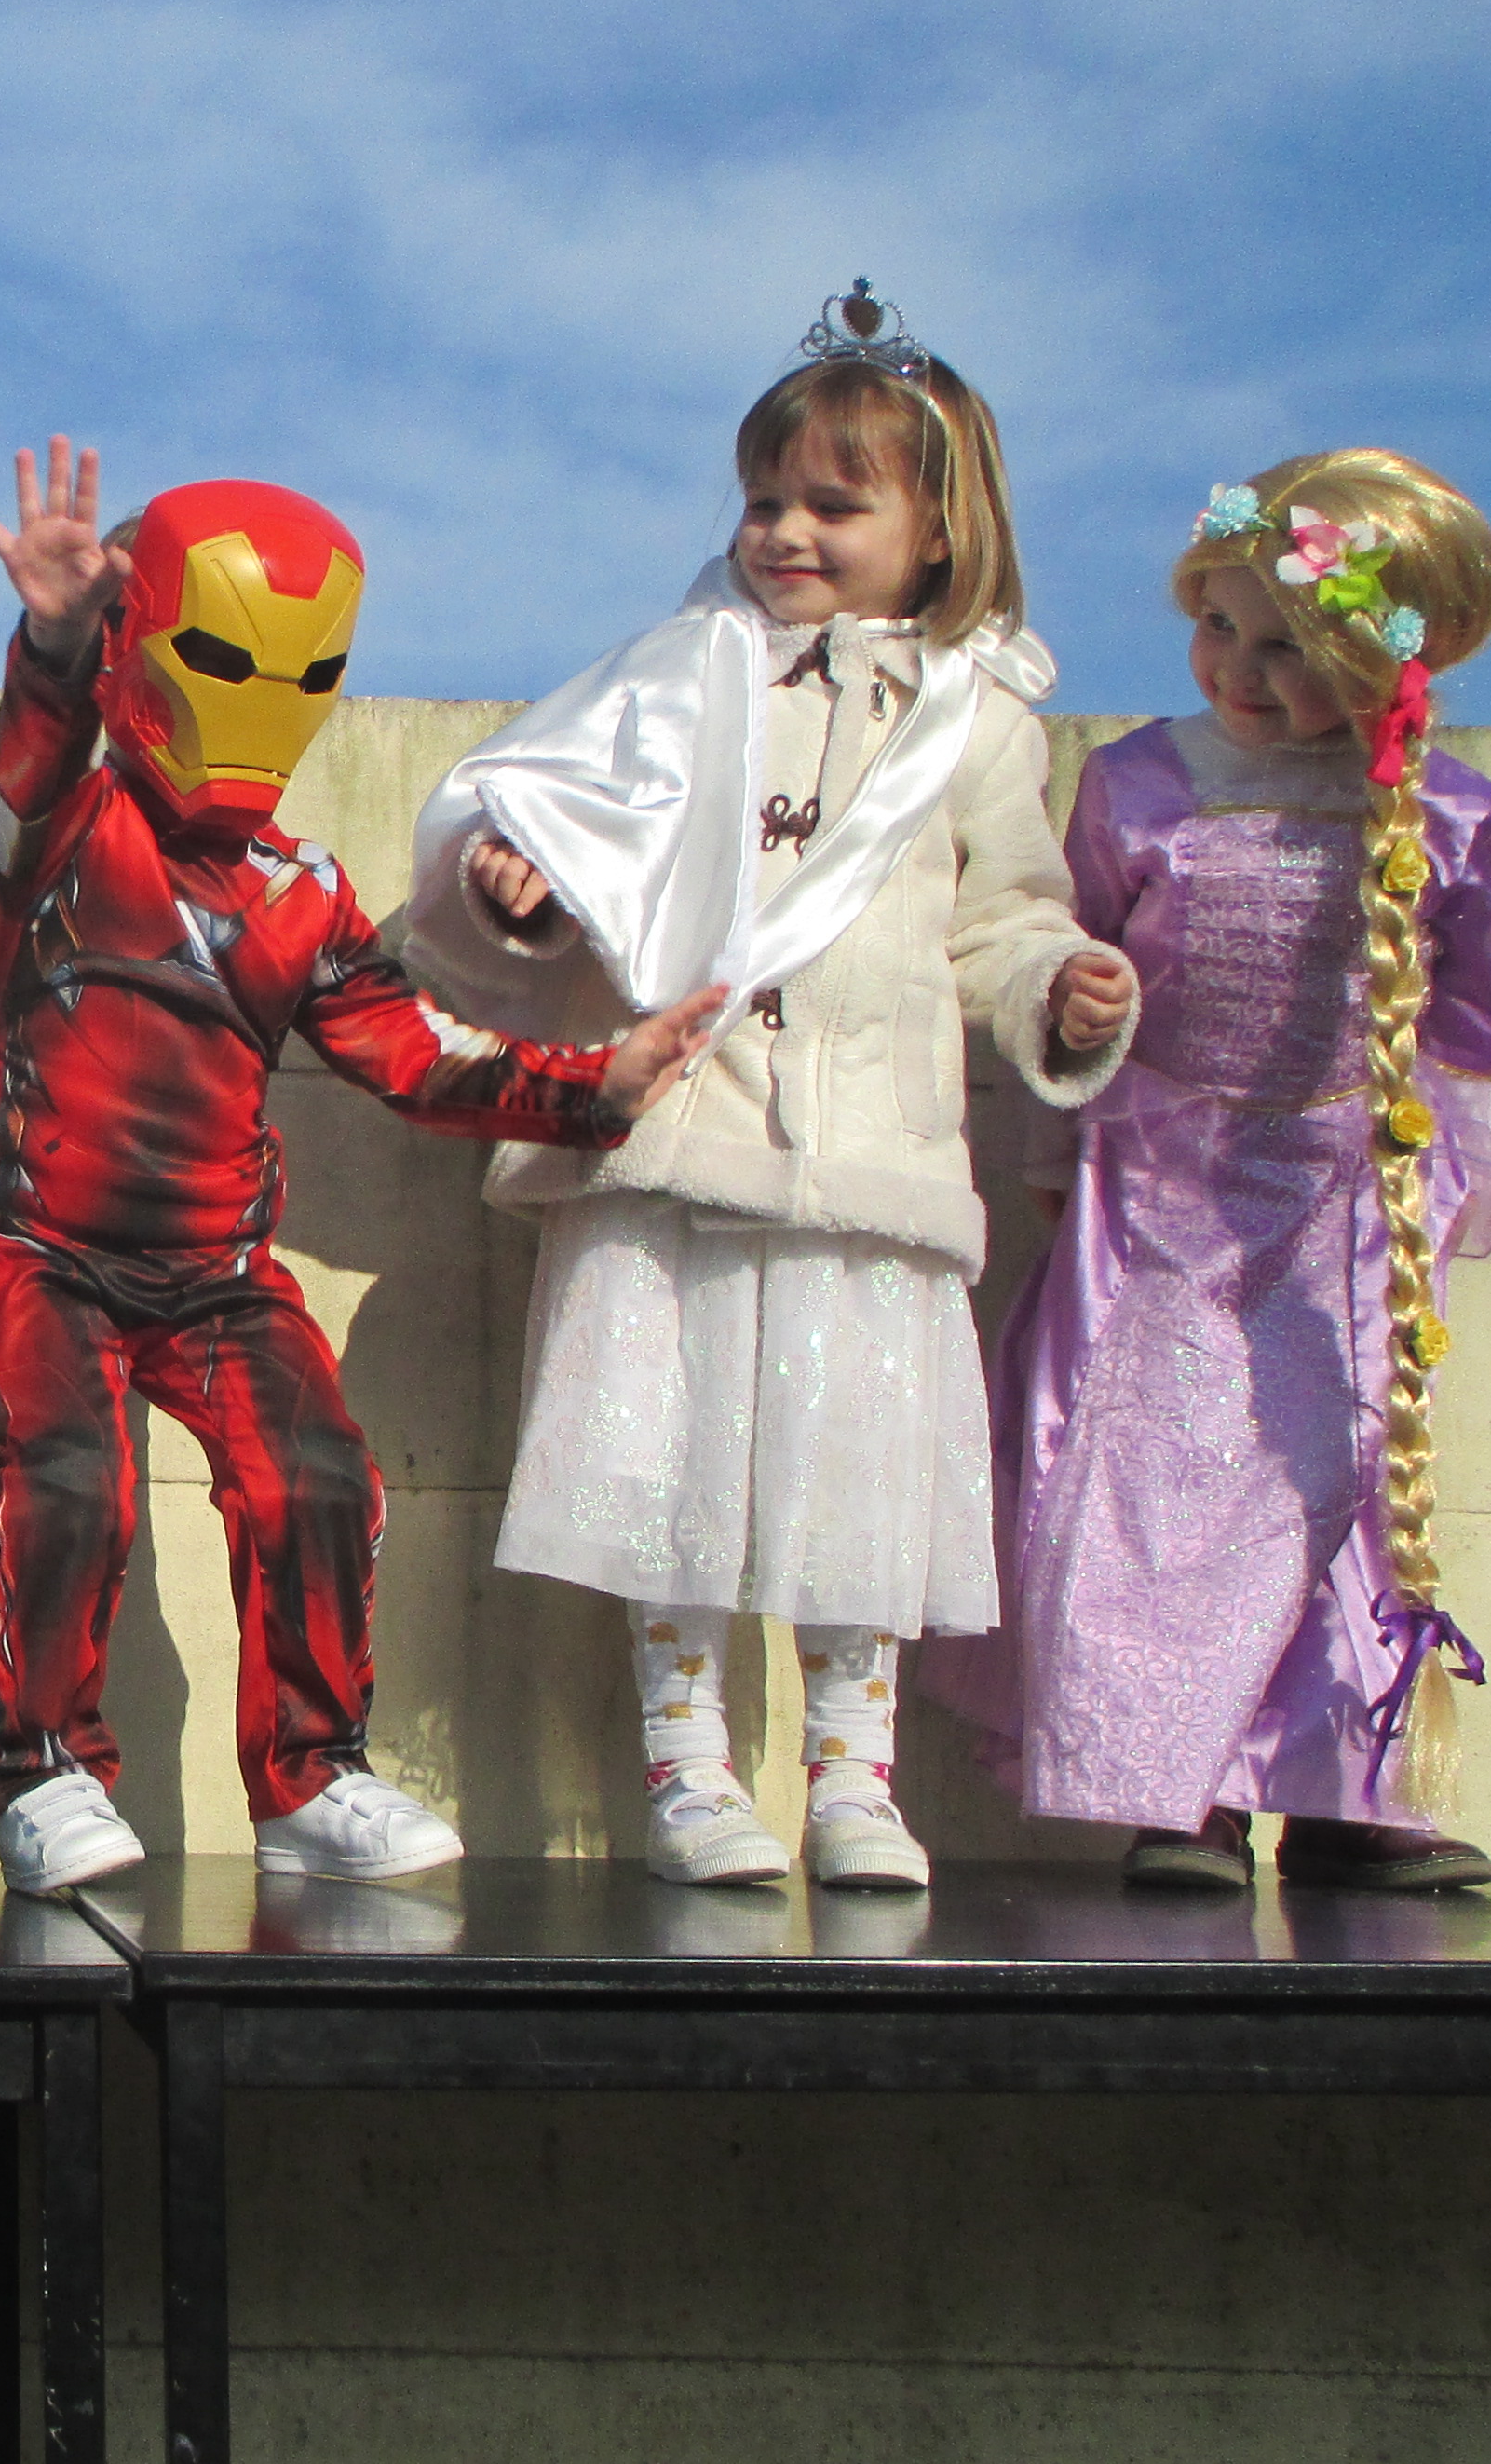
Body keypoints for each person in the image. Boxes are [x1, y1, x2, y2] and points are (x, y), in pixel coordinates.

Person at [408, 286, 1135, 1895]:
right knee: (669, 1477)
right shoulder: (680, 680)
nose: (785, 532)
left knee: (859, 1494)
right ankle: (690, 1774)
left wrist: (1061, 991)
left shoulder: (979, 725)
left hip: (872, 1161)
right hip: (688, 1137)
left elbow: (1005, 919)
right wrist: (526, 885)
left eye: (833, 505)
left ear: (939, 532)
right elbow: (568, 831)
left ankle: (855, 1786)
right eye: (764, 500)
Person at [0, 442, 722, 1898]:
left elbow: (411, 1052)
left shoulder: (301, 890)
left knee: (316, 1476)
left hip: (218, 1268)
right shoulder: (65, 827)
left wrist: (592, 1088)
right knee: (70, 1480)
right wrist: (52, 645)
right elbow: (35, 752)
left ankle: (313, 1779)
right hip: (42, 1253)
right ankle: (41, 1769)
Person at [928, 452, 1491, 1892]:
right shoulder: (1140, 785)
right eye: (1219, 628)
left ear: (1379, 660)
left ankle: (1344, 1788)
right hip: (1165, 1203)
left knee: (1342, 1481)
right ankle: (1175, 1787)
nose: (1240, 672)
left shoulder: (1448, 814)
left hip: (1344, 1207)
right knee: (1157, 1478)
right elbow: (1070, 975)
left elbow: (1465, 1025)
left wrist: (1447, 1178)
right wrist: (1055, 1154)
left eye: (1288, 648)